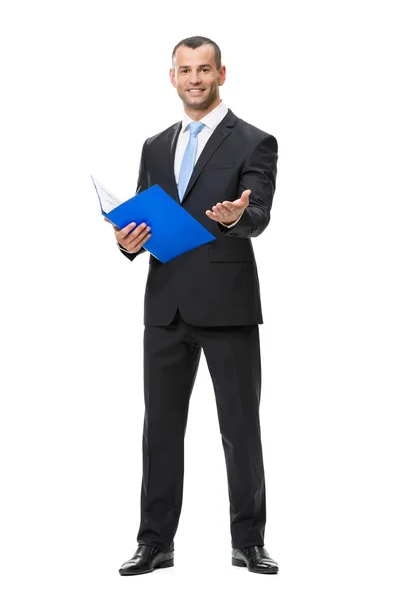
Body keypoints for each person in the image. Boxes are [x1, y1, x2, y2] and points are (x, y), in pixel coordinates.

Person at [106, 36, 279, 576]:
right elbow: (145, 220)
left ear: (222, 74)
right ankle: (155, 541)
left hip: (227, 306)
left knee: (240, 428)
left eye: (205, 70)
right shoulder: (155, 145)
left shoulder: (255, 141)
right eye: (186, 70)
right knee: (159, 430)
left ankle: (248, 542)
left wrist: (235, 217)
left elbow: (259, 214)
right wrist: (127, 242)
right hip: (164, 308)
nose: (195, 79)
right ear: (173, 77)